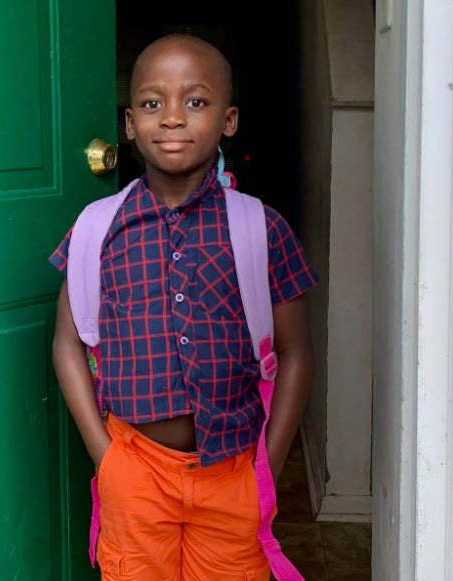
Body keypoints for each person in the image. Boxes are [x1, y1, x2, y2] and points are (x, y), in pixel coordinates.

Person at [50, 32, 318, 581]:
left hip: (234, 470)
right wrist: (107, 458)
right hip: (135, 469)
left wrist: (269, 462)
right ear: (129, 124)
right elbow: (67, 343)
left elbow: (295, 355)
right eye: (152, 103)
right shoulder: (97, 229)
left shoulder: (260, 228)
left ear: (229, 119)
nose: (172, 118)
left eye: (195, 101)